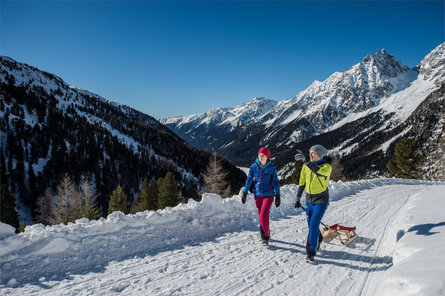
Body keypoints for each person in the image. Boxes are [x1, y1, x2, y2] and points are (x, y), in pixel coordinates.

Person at [294, 144, 332, 263]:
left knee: (314, 225)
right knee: (311, 225)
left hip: (321, 201)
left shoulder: (326, 167)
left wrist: (306, 162)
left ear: (320, 154)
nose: (310, 155)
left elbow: (318, 172)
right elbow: (302, 182)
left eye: (313, 153)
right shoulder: (306, 167)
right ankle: (318, 238)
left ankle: (311, 252)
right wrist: (297, 197)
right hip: (309, 200)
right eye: (310, 152)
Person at [241, 147, 281, 246]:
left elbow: (275, 182)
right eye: (259, 155)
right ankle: (265, 231)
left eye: (262, 155)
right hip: (257, 194)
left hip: (269, 194)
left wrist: (278, 195)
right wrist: (245, 192)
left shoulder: (272, 167)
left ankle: (265, 237)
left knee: (263, 214)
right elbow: (249, 179)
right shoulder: (254, 166)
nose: (260, 157)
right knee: (261, 215)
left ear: (267, 156)